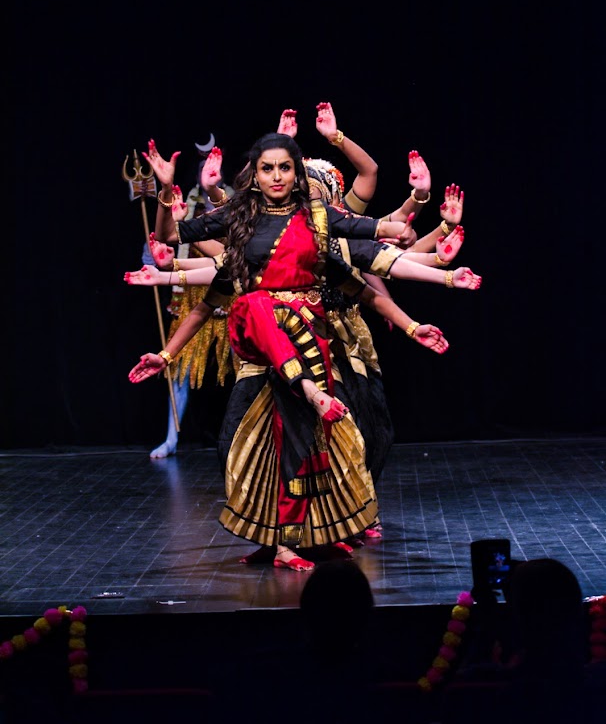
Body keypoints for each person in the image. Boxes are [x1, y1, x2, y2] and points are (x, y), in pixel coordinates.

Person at [129, 132, 481, 572]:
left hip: (309, 342)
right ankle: (272, 529)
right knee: (235, 441)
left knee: (305, 446)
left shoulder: (317, 218)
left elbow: (377, 251)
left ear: (296, 174)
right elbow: (177, 246)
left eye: (284, 167)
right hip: (260, 343)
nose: (276, 176)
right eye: (267, 168)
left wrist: (418, 221)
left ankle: (296, 540)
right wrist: (165, 191)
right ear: (254, 176)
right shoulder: (240, 217)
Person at [147, 139, 235, 459]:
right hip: (194, 293)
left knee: (251, 370)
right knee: (179, 370)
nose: (208, 173)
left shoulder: (233, 207)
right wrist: (166, 190)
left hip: (232, 294)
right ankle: (171, 437)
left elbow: (230, 255)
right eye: (203, 171)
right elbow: (167, 241)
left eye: (213, 170)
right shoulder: (190, 208)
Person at [445, 557, 605, 724]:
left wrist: (487, 627)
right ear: (576, 614)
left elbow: (459, 694)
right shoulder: (598, 685)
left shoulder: (482, 688)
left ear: (517, 621)